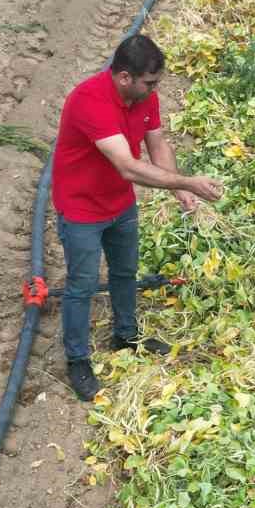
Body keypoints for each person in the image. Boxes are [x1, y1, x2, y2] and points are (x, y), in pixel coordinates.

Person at [51, 34, 223, 401]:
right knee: (81, 284)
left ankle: (126, 334)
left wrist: (179, 188)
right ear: (125, 77)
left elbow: (156, 144)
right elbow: (128, 166)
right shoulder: (89, 100)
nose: (155, 89)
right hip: (82, 208)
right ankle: (78, 359)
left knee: (125, 271)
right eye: (150, 82)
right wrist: (187, 180)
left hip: (119, 203)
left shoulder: (145, 98)